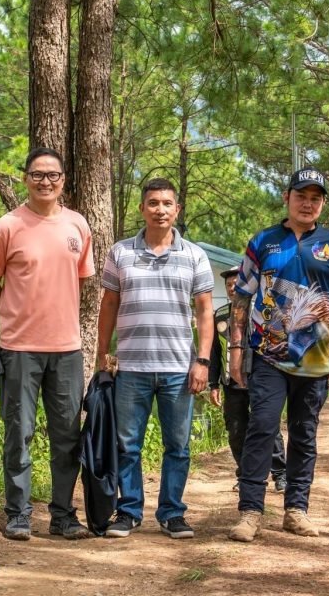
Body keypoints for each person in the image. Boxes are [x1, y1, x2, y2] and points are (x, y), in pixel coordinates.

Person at [227, 167, 329, 543]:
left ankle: (296, 510)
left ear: (322, 204)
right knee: (261, 429)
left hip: (316, 361)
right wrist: (237, 350)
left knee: (305, 435)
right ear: (287, 197)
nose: (308, 203)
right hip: (267, 356)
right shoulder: (264, 241)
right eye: (302, 196)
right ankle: (251, 512)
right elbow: (241, 296)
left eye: (316, 198)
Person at [0, 148, 94, 541]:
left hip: (67, 349)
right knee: (20, 432)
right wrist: (15, 314)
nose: (46, 181)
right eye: (37, 174)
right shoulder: (6, 227)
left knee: (67, 436)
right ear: (25, 179)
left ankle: (63, 516)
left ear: (63, 180)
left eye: (53, 175)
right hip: (19, 347)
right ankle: (19, 515)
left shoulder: (78, 226)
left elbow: (78, 279)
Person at [96, 178, 215, 540]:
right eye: (152, 203)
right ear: (141, 209)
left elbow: (205, 312)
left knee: (177, 446)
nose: (159, 209)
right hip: (131, 368)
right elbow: (109, 305)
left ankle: (172, 513)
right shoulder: (120, 253)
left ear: (177, 209)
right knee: (126, 444)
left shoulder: (194, 255)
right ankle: (128, 511)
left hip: (179, 369)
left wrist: (203, 361)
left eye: (166, 203)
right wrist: (103, 353)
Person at [207, 267, 287, 493]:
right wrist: (213, 384)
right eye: (229, 285)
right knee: (236, 429)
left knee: (267, 425)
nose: (233, 288)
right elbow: (214, 352)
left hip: (261, 379)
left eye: (236, 284)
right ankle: (245, 475)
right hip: (230, 382)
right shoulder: (220, 314)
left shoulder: (262, 312)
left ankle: (280, 473)